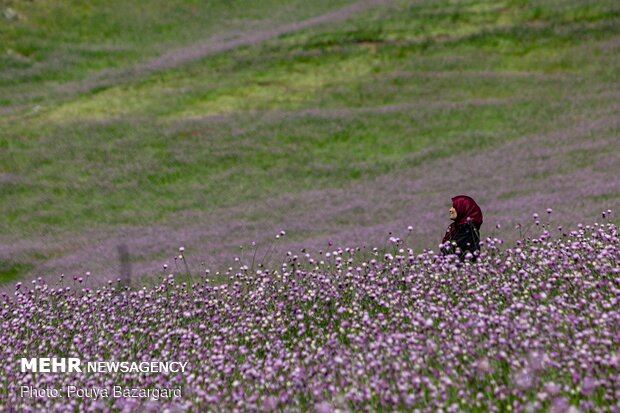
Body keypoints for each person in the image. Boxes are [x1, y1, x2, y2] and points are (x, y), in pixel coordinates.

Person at [441, 195, 483, 260]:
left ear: (463, 209)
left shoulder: (468, 230)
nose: (450, 210)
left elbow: (450, 251)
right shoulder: (457, 227)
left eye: (454, 207)